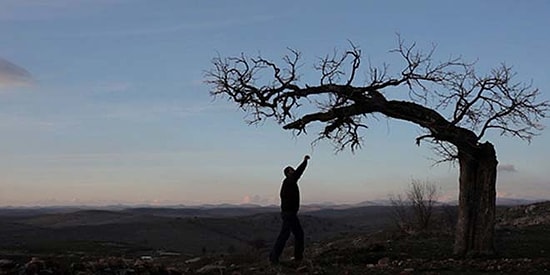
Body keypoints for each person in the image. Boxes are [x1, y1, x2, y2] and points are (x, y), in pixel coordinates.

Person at [269, 155, 310, 264]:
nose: (294, 171)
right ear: (288, 173)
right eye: (291, 170)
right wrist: (305, 161)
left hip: (288, 213)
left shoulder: (287, 183)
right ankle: (293, 257)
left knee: (289, 234)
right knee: (294, 234)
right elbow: (299, 172)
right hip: (289, 214)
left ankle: (276, 256)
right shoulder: (289, 181)